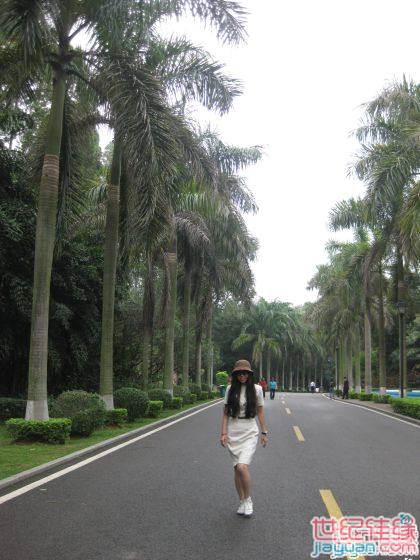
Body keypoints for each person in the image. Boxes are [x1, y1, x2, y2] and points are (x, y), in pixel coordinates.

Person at [220, 359, 268, 518]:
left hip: (249, 430)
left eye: (245, 373)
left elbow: (260, 412)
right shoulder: (230, 389)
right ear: (235, 375)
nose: (242, 376)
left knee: (242, 467)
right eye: (239, 374)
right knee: (236, 468)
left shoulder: (257, 389)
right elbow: (225, 413)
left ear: (249, 374)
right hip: (233, 430)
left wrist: (264, 432)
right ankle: (241, 501)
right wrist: (223, 433)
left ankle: (248, 500)